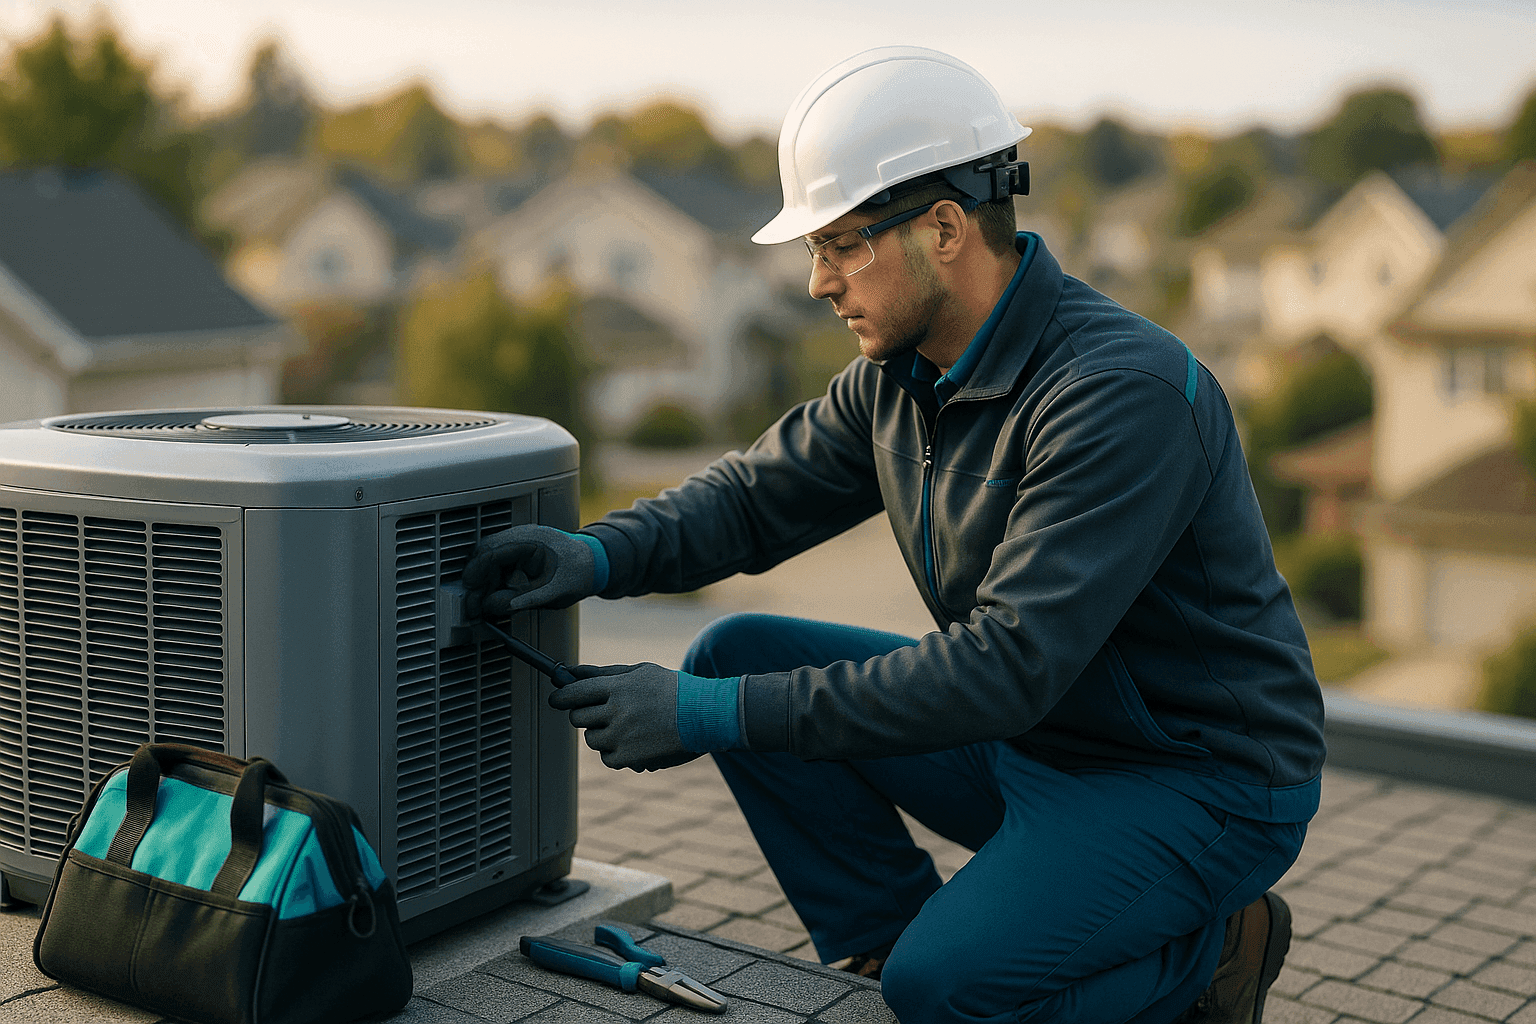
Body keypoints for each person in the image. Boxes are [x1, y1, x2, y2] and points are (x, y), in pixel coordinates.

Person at [464, 46, 1325, 1024]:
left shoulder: (1117, 395)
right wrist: (596, 556)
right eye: (813, 251)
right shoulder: (899, 377)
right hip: (1036, 743)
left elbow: (1006, 664)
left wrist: (710, 714)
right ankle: (896, 943)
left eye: (841, 244)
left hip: (1191, 777)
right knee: (738, 651)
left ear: (945, 229)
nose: (819, 282)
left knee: (945, 986)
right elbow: (752, 499)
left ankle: (1218, 949)